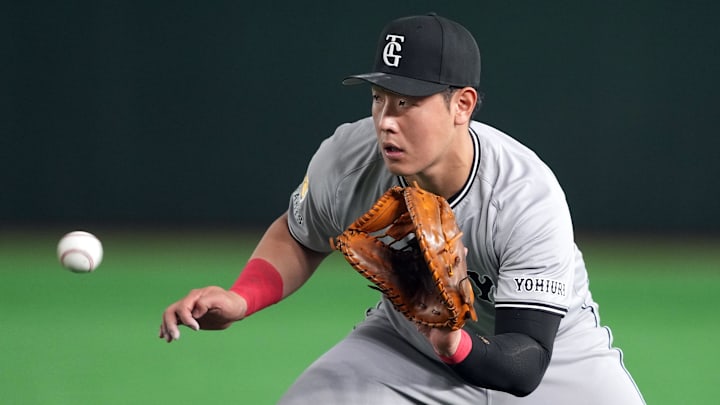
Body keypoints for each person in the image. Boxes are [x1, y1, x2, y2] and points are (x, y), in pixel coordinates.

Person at [159, 13, 646, 404]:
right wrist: (243, 298)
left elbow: (526, 362)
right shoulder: (350, 159)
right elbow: (298, 235)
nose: (386, 122)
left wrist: (455, 343)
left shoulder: (523, 197)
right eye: (379, 98)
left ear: (463, 105)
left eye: (408, 102)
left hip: (558, 360)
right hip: (408, 346)